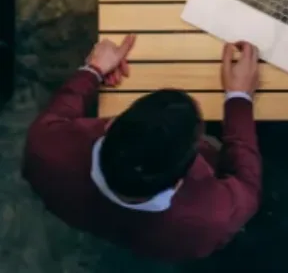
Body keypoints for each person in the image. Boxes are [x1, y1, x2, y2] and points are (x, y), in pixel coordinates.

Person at [23, 35, 264, 261]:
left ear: (112, 122)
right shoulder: (210, 222)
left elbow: (61, 110)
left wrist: (93, 70)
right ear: (180, 181)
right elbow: (248, 185)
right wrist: (239, 98)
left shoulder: (44, 150)